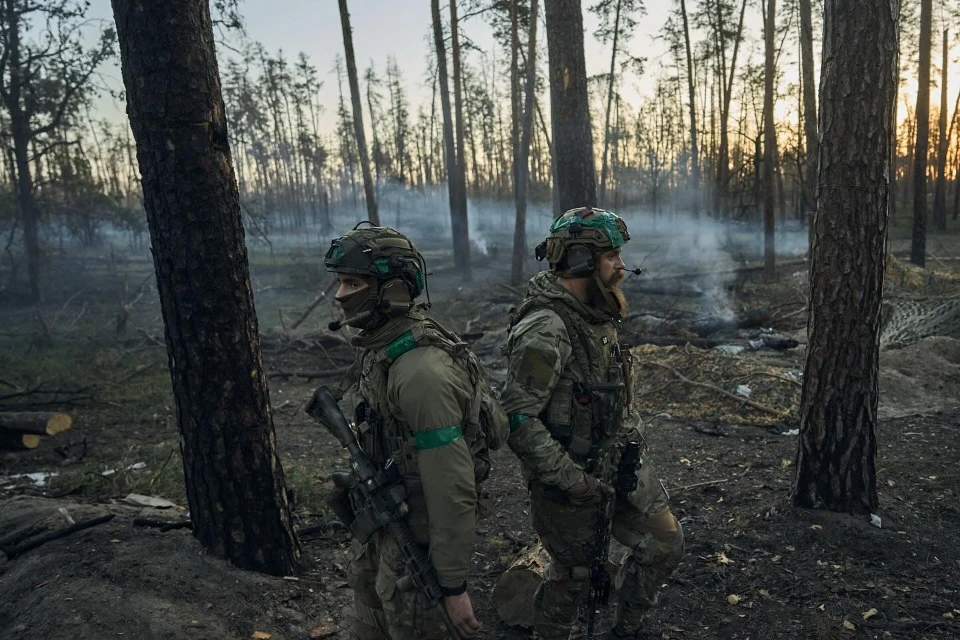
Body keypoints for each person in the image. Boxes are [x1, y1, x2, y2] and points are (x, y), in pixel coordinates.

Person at [500, 207, 684, 639]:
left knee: (665, 543)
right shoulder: (546, 327)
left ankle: (626, 630)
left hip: (620, 464)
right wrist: (572, 480)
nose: (621, 265)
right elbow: (518, 418)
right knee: (575, 578)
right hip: (571, 480)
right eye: (611, 256)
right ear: (582, 260)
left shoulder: (592, 312)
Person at [322, 223, 499, 640]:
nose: (340, 295)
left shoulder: (421, 372)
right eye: (340, 282)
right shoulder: (383, 347)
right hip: (383, 526)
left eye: (352, 283)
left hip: (416, 541)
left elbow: (451, 484)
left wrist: (453, 586)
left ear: (393, 290)